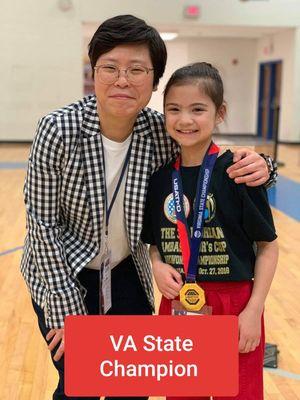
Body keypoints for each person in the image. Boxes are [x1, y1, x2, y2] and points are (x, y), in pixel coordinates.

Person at [20, 14, 276, 400]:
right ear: (94, 72)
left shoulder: (161, 129)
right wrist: (68, 315)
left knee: (134, 384)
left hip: (126, 271)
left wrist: (264, 167)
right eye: (110, 67)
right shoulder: (58, 130)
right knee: (81, 382)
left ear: (154, 81)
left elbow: (211, 154)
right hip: (65, 273)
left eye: (137, 69)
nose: (122, 79)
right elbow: (41, 227)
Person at [142, 62, 279, 400]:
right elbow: (153, 243)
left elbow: (268, 247)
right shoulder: (159, 178)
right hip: (179, 303)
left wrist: (253, 311)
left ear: (220, 113)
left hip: (236, 305)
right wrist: (156, 264)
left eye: (197, 109)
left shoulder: (239, 171)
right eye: (174, 109)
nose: (185, 120)